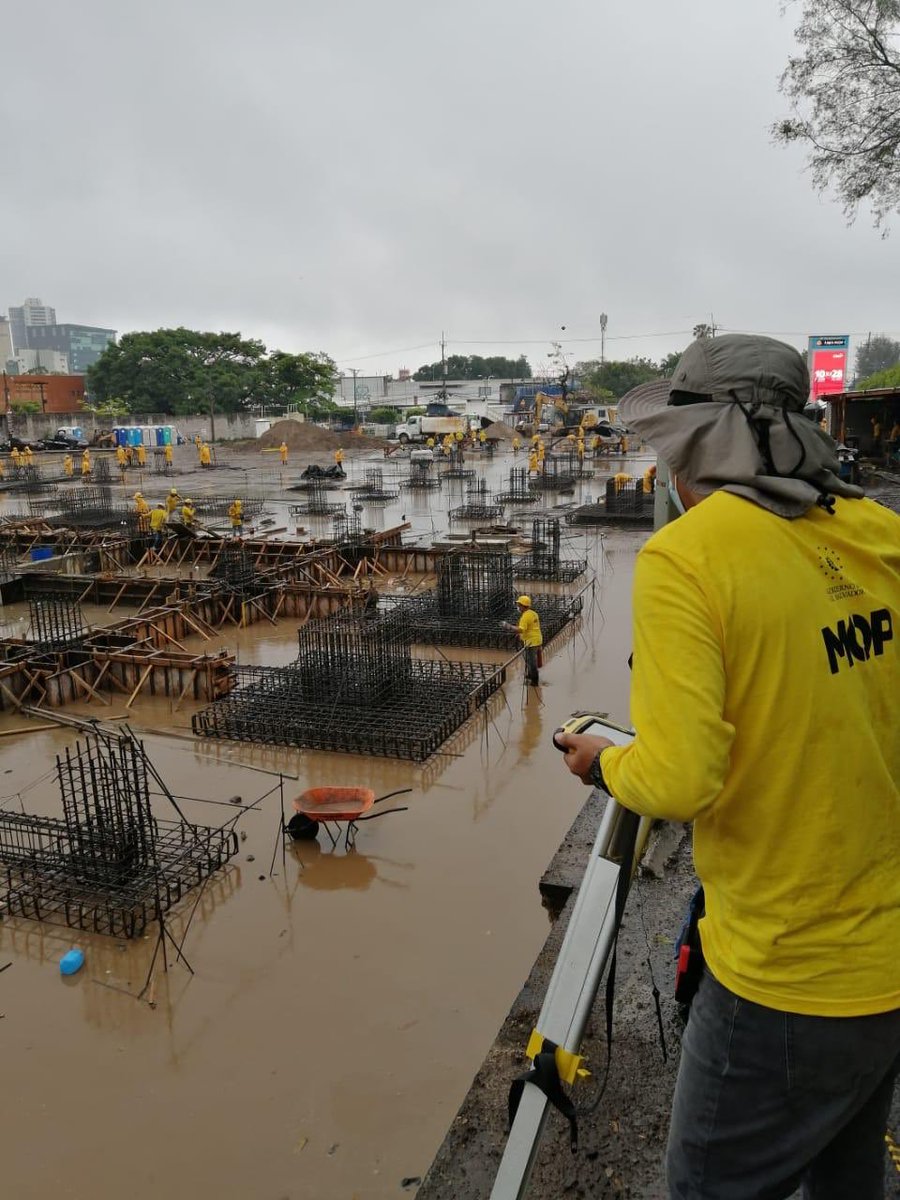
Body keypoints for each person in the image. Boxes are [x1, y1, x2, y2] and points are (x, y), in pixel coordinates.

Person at [557, 334, 900, 1200]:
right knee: (848, 1177)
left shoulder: (688, 558)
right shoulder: (881, 533)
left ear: (702, 444)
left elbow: (679, 782)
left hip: (786, 976)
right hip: (889, 960)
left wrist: (603, 763)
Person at [502, 595, 543, 685]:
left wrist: (509, 626)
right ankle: (530, 675)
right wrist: (520, 635)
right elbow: (530, 627)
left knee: (532, 662)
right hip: (537, 639)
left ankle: (535, 681)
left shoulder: (525, 616)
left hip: (531, 642)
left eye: (519, 605)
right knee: (528, 659)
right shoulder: (533, 613)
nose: (518, 607)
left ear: (523, 606)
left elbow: (521, 629)